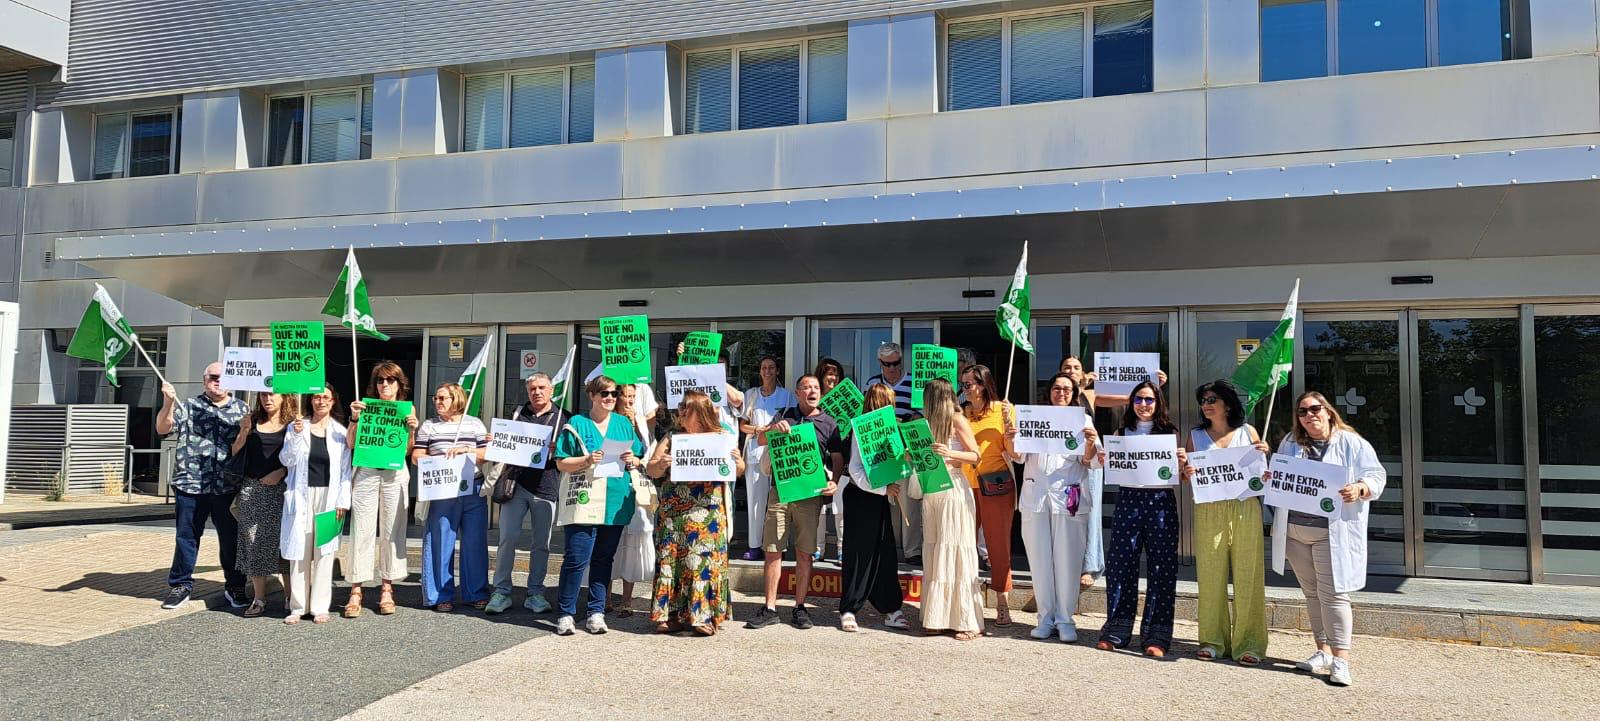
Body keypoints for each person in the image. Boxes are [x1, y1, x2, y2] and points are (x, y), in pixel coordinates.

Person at [1268, 391, 1386, 687]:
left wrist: (1360, 488)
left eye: (1315, 409)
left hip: (1329, 533)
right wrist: (1272, 477)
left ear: (1329, 412)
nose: (1309, 415)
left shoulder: (1351, 442)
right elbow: (1280, 473)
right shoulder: (1291, 443)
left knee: (1334, 594)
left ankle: (1341, 659)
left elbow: (1376, 475)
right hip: (1295, 532)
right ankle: (1321, 651)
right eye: (1302, 412)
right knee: (1311, 594)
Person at [1096, 380, 1188, 657]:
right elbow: (1113, 466)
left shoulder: (1170, 433)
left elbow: (1180, 477)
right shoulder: (1120, 432)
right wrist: (1105, 459)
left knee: (1162, 568)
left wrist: (1182, 464)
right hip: (1129, 500)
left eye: (1149, 400)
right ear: (1131, 403)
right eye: (1138, 399)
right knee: (1121, 565)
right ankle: (1117, 629)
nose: (1144, 405)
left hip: (1160, 502)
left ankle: (1157, 636)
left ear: (1159, 403)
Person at [1184, 380, 1272, 664]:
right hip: (1209, 509)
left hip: (1245, 507)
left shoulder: (1248, 433)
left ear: (1228, 404)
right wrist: (1185, 471)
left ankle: (1250, 644)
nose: (1206, 405)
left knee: (1249, 576)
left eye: (1212, 400)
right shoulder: (1196, 436)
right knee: (1210, 577)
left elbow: (1262, 475)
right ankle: (1213, 641)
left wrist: (1264, 458)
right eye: (1203, 400)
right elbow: (1187, 477)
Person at [643, 390, 745, 635]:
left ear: (699, 412)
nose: (680, 413)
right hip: (675, 511)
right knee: (672, 560)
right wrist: (661, 464)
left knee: (703, 563)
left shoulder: (721, 436)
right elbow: (651, 469)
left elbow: (738, 470)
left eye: (685, 409)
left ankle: (703, 617)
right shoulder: (671, 437)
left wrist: (737, 460)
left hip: (707, 512)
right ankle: (671, 615)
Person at [748, 374, 843, 630]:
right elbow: (760, 440)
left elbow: (837, 458)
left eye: (815, 387)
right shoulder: (784, 414)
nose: (811, 391)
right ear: (798, 392)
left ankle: (800, 607)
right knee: (772, 550)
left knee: (804, 552)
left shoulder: (829, 424)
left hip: (810, 496)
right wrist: (772, 428)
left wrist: (834, 481)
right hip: (780, 492)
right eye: (806, 387)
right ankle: (769, 608)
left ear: (820, 393)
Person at [552, 375, 644, 636]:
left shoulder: (624, 424)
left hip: (614, 500)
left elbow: (638, 455)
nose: (610, 398)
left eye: (614, 394)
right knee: (576, 558)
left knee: (604, 559)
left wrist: (632, 459)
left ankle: (596, 611)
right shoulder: (576, 424)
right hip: (585, 498)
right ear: (592, 395)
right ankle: (566, 613)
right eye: (604, 393)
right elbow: (561, 462)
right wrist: (586, 459)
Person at [156, 362, 249, 610]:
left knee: (231, 540)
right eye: (213, 377)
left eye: (223, 377)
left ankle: (235, 586)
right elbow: (163, 428)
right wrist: (167, 402)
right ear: (204, 379)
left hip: (227, 487)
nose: (218, 381)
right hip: (190, 484)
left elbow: (245, 446)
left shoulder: (243, 410)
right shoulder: (187, 406)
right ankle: (181, 585)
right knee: (186, 537)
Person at [1014, 372, 1099, 642]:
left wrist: (1088, 445)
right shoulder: (1032, 419)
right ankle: (1044, 617)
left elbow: (1091, 463)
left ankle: (1065, 620)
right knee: (1039, 561)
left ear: (1074, 394)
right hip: (1036, 496)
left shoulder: (1083, 421)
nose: (1060, 392)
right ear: (1048, 391)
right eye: (1056, 388)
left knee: (1068, 561)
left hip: (1068, 498)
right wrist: (1011, 436)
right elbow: (1018, 457)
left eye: (1066, 389)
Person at [342, 362, 419, 618]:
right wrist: (354, 419)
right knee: (361, 529)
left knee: (391, 530)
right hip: (366, 471)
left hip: (394, 474)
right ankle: (356, 589)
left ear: (399, 384)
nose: (385, 385)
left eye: (390, 380)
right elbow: (351, 444)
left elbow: (407, 450)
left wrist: (411, 430)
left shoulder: (407, 410)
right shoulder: (364, 408)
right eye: (380, 380)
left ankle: (387, 586)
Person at [912, 378, 985, 640]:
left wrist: (949, 454)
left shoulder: (958, 419)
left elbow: (976, 455)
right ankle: (938, 616)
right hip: (933, 488)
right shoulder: (924, 424)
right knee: (935, 549)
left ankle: (965, 620)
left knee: (954, 549)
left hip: (954, 486)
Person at [486, 372, 563, 615]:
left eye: (542, 387)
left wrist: (557, 448)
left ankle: (536, 593)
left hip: (546, 486)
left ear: (551, 390)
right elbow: (503, 447)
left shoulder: (563, 417)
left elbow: (569, 453)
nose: (537, 392)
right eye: (532, 389)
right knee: (507, 538)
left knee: (541, 543)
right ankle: (501, 592)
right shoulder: (517, 414)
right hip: (515, 485)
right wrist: (494, 442)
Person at [839, 384, 912, 632]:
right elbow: (855, 470)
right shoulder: (861, 429)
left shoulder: (892, 430)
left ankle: (891, 607)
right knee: (859, 554)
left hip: (880, 499)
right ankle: (849, 608)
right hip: (861, 498)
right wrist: (883, 490)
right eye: (889, 401)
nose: (893, 405)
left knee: (885, 552)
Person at [412, 382, 490, 613]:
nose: (438, 402)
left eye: (442, 398)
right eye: (436, 398)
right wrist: (432, 462)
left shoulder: (474, 424)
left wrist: (467, 451)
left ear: (456, 399)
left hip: (472, 488)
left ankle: (476, 593)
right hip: (442, 491)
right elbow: (417, 454)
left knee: (475, 543)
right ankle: (439, 595)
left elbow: (486, 455)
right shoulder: (429, 426)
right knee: (440, 543)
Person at [278, 387, 352, 625]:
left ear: (333, 402)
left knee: (325, 552)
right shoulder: (296, 426)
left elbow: (345, 472)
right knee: (299, 552)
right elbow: (286, 460)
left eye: (326, 398)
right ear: (311, 400)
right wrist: (297, 435)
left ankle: (320, 606)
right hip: (302, 495)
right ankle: (298, 607)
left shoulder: (340, 433)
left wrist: (343, 501)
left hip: (330, 497)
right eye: (317, 397)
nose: (321, 401)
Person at [959, 364, 1018, 627]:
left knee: (998, 546)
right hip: (964, 485)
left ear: (982, 385)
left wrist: (1008, 423)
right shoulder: (960, 412)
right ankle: (966, 603)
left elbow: (1015, 453)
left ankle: (1002, 603)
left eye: (969, 384)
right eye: (963, 385)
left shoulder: (1003, 408)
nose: (965, 389)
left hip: (996, 483)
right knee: (963, 545)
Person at [232, 391, 295, 618]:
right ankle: (259, 598)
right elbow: (235, 453)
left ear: (284, 397)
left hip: (282, 490)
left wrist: (281, 472)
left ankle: (290, 595)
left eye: (273, 395)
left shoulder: (292, 424)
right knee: (253, 542)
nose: (268, 399)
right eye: (263, 395)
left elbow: (300, 458)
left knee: (285, 542)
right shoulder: (252, 421)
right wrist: (244, 430)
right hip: (253, 489)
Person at [866, 342, 922, 566]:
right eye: (887, 364)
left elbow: (922, 413)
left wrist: (909, 421)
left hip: (904, 450)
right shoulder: (871, 383)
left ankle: (912, 550)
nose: (891, 368)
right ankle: (891, 546)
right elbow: (865, 412)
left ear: (902, 361)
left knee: (908, 501)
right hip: (878, 450)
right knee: (884, 500)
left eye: (896, 363)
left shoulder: (913, 382)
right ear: (880, 362)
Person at [738, 356, 796, 562]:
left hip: (780, 454)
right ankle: (754, 546)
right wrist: (757, 429)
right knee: (756, 502)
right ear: (760, 371)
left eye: (771, 367)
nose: (767, 371)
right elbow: (742, 425)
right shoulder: (751, 395)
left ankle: (778, 545)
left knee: (781, 502)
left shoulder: (787, 396)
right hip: (755, 453)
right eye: (764, 368)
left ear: (777, 371)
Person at [610, 383, 657, 616]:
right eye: (625, 396)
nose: (629, 401)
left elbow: (646, 451)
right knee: (611, 543)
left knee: (631, 544)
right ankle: (605, 597)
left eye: (632, 396)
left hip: (634, 486)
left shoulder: (638, 420)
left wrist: (635, 425)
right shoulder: (608, 420)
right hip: (611, 485)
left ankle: (627, 600)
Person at [1060, 356, 1105, 590]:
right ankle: (1070, 562)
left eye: (1076, 367)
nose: (1072, 370)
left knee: (1091, 510)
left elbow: (1127, 399)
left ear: (1084, 371)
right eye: (1067, 367)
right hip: (1066, 463)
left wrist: (1155, 384)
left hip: (1089, 458)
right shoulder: (1056, 394)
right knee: (1070, 510)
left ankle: (1089, 565)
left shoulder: (1090, 395)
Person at [812, 356, 846, 564]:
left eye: (835, 373)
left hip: (842, 458)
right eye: (828, 373)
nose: (832, 377)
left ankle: (842, 549)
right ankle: (818, 548)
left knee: (840, 507)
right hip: (818, 459)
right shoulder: (815, 400)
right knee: (819, 507)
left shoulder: (847, 400)